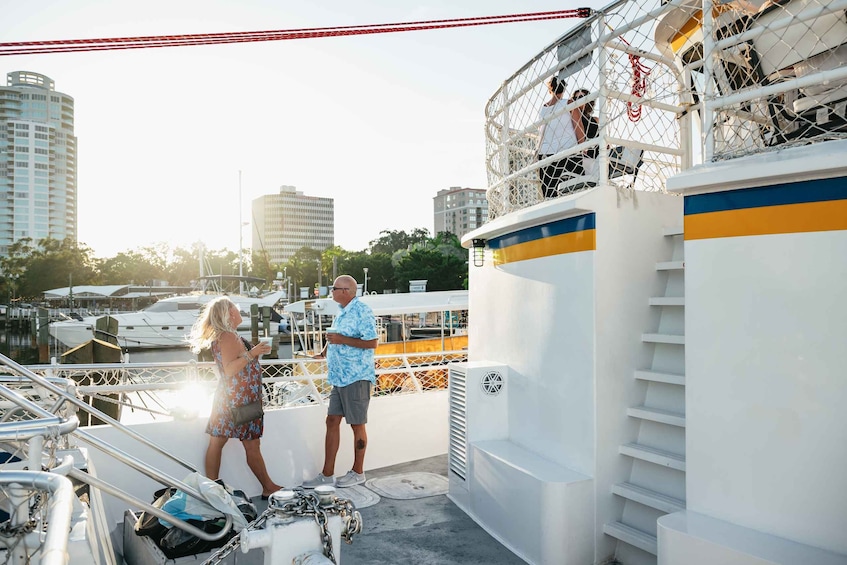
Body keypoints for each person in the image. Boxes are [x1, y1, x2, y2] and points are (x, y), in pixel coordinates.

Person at [188, 297, 282, 500]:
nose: (240, 312)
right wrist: (253, 352)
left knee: (218, 441)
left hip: (232, 398)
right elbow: (230, 370)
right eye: (237, 309)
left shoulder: (228, 336)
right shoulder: (228, 337)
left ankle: (213, 489)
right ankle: (267, 486)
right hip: (239, 399)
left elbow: (235, 364)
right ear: (230, 313)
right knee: (248, 445)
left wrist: (253, 354)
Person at [302, 275, 378, 489]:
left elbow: (372, 342)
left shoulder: (362, 311)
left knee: (357, 425)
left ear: (345, 291)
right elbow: (336, 336)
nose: (331, 291)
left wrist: (342, 340)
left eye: (333, 288)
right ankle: (327, 474)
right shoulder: (342, 312)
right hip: (339, 377)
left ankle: (358, 472)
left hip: (356, 376)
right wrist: (324, 352)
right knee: (332, 421)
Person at [537, 75, 586, 198]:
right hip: (568, 153)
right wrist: (583, 148)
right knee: (575, 191)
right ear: (563, 89)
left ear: (550, 89)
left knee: (550, 195)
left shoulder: (543, 109)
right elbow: (578, 127)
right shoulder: (568, 103)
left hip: (546, 155)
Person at [573, 88, 600, 180]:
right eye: (575, 98)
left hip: (597, 153)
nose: (578, 100)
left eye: (581, 97)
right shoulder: (574, 116)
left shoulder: (595, 119)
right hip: (583, 154)